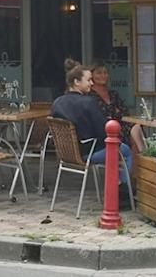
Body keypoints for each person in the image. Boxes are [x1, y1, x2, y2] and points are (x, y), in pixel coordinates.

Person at [51, 58, 133, 205]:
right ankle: (121, 190)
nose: (91, 83)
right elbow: (104, 132)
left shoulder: (57, 103)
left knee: (114, 150)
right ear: (76, 82)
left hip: (68, 153)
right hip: (89, 152)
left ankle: (119, 187)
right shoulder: (88, 102)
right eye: (88, 80)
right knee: (124, 151)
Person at [89, 61, 146, 153]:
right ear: (91, 76)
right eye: (99, 73)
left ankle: (139, 160)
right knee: (133, 132)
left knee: (136, 126)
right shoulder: (90, 96)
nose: (103, 75)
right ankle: (140, 159)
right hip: (104, 130)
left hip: (121, 125)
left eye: (105, 73)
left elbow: (124, 112)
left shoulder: (113, 94)